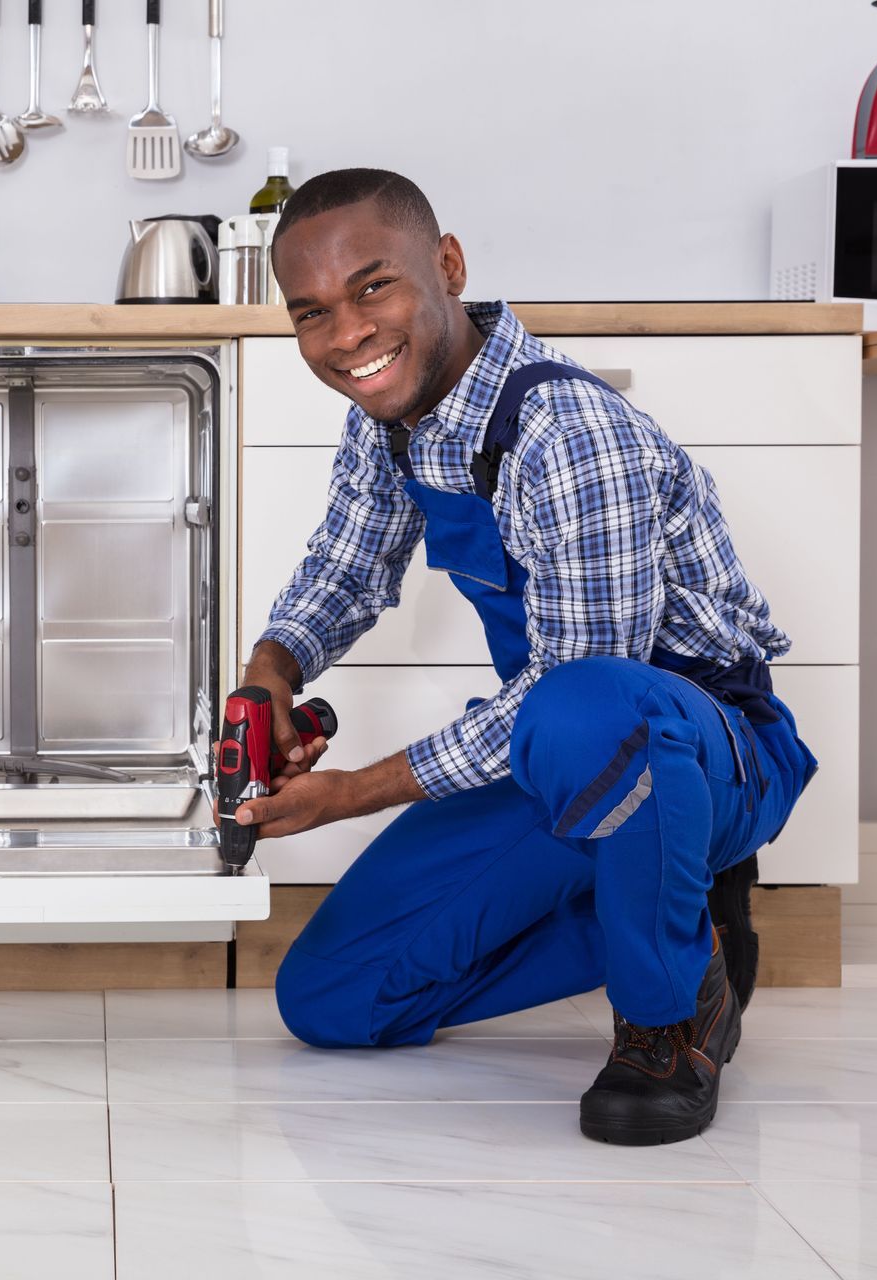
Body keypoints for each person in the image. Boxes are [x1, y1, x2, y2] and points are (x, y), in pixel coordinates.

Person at [234, 168, 817, 1145]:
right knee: (334, 997)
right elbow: (342, 573)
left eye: (373, 287)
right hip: (560, 754)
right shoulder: (394, 424)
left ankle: (670, 1018)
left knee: (584, 707)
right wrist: (270, 674)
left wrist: (353, 791)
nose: (346, 336)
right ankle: (688, 929)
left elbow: (584, 680)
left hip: (705, 749)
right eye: (312, 312)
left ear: (448, 266)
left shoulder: (569, 432)